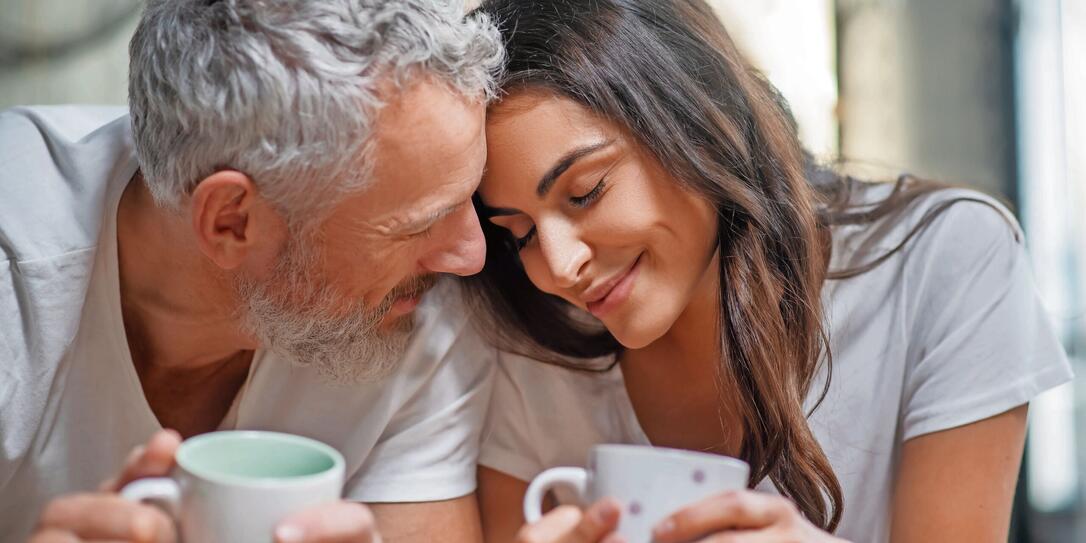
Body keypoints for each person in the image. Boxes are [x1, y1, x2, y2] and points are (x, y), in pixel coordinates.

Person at [464, 1, 1074, 542]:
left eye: (586, 192)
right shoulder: (531, 348)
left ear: (695, 121)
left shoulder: (945, 258)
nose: (562, 267)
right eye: (519, 234)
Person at [0, 1, 504, 541]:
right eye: (417, 225)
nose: (472, 256)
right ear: (231, 221)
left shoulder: (414, 308)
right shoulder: (17, 282)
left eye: (468, 197)